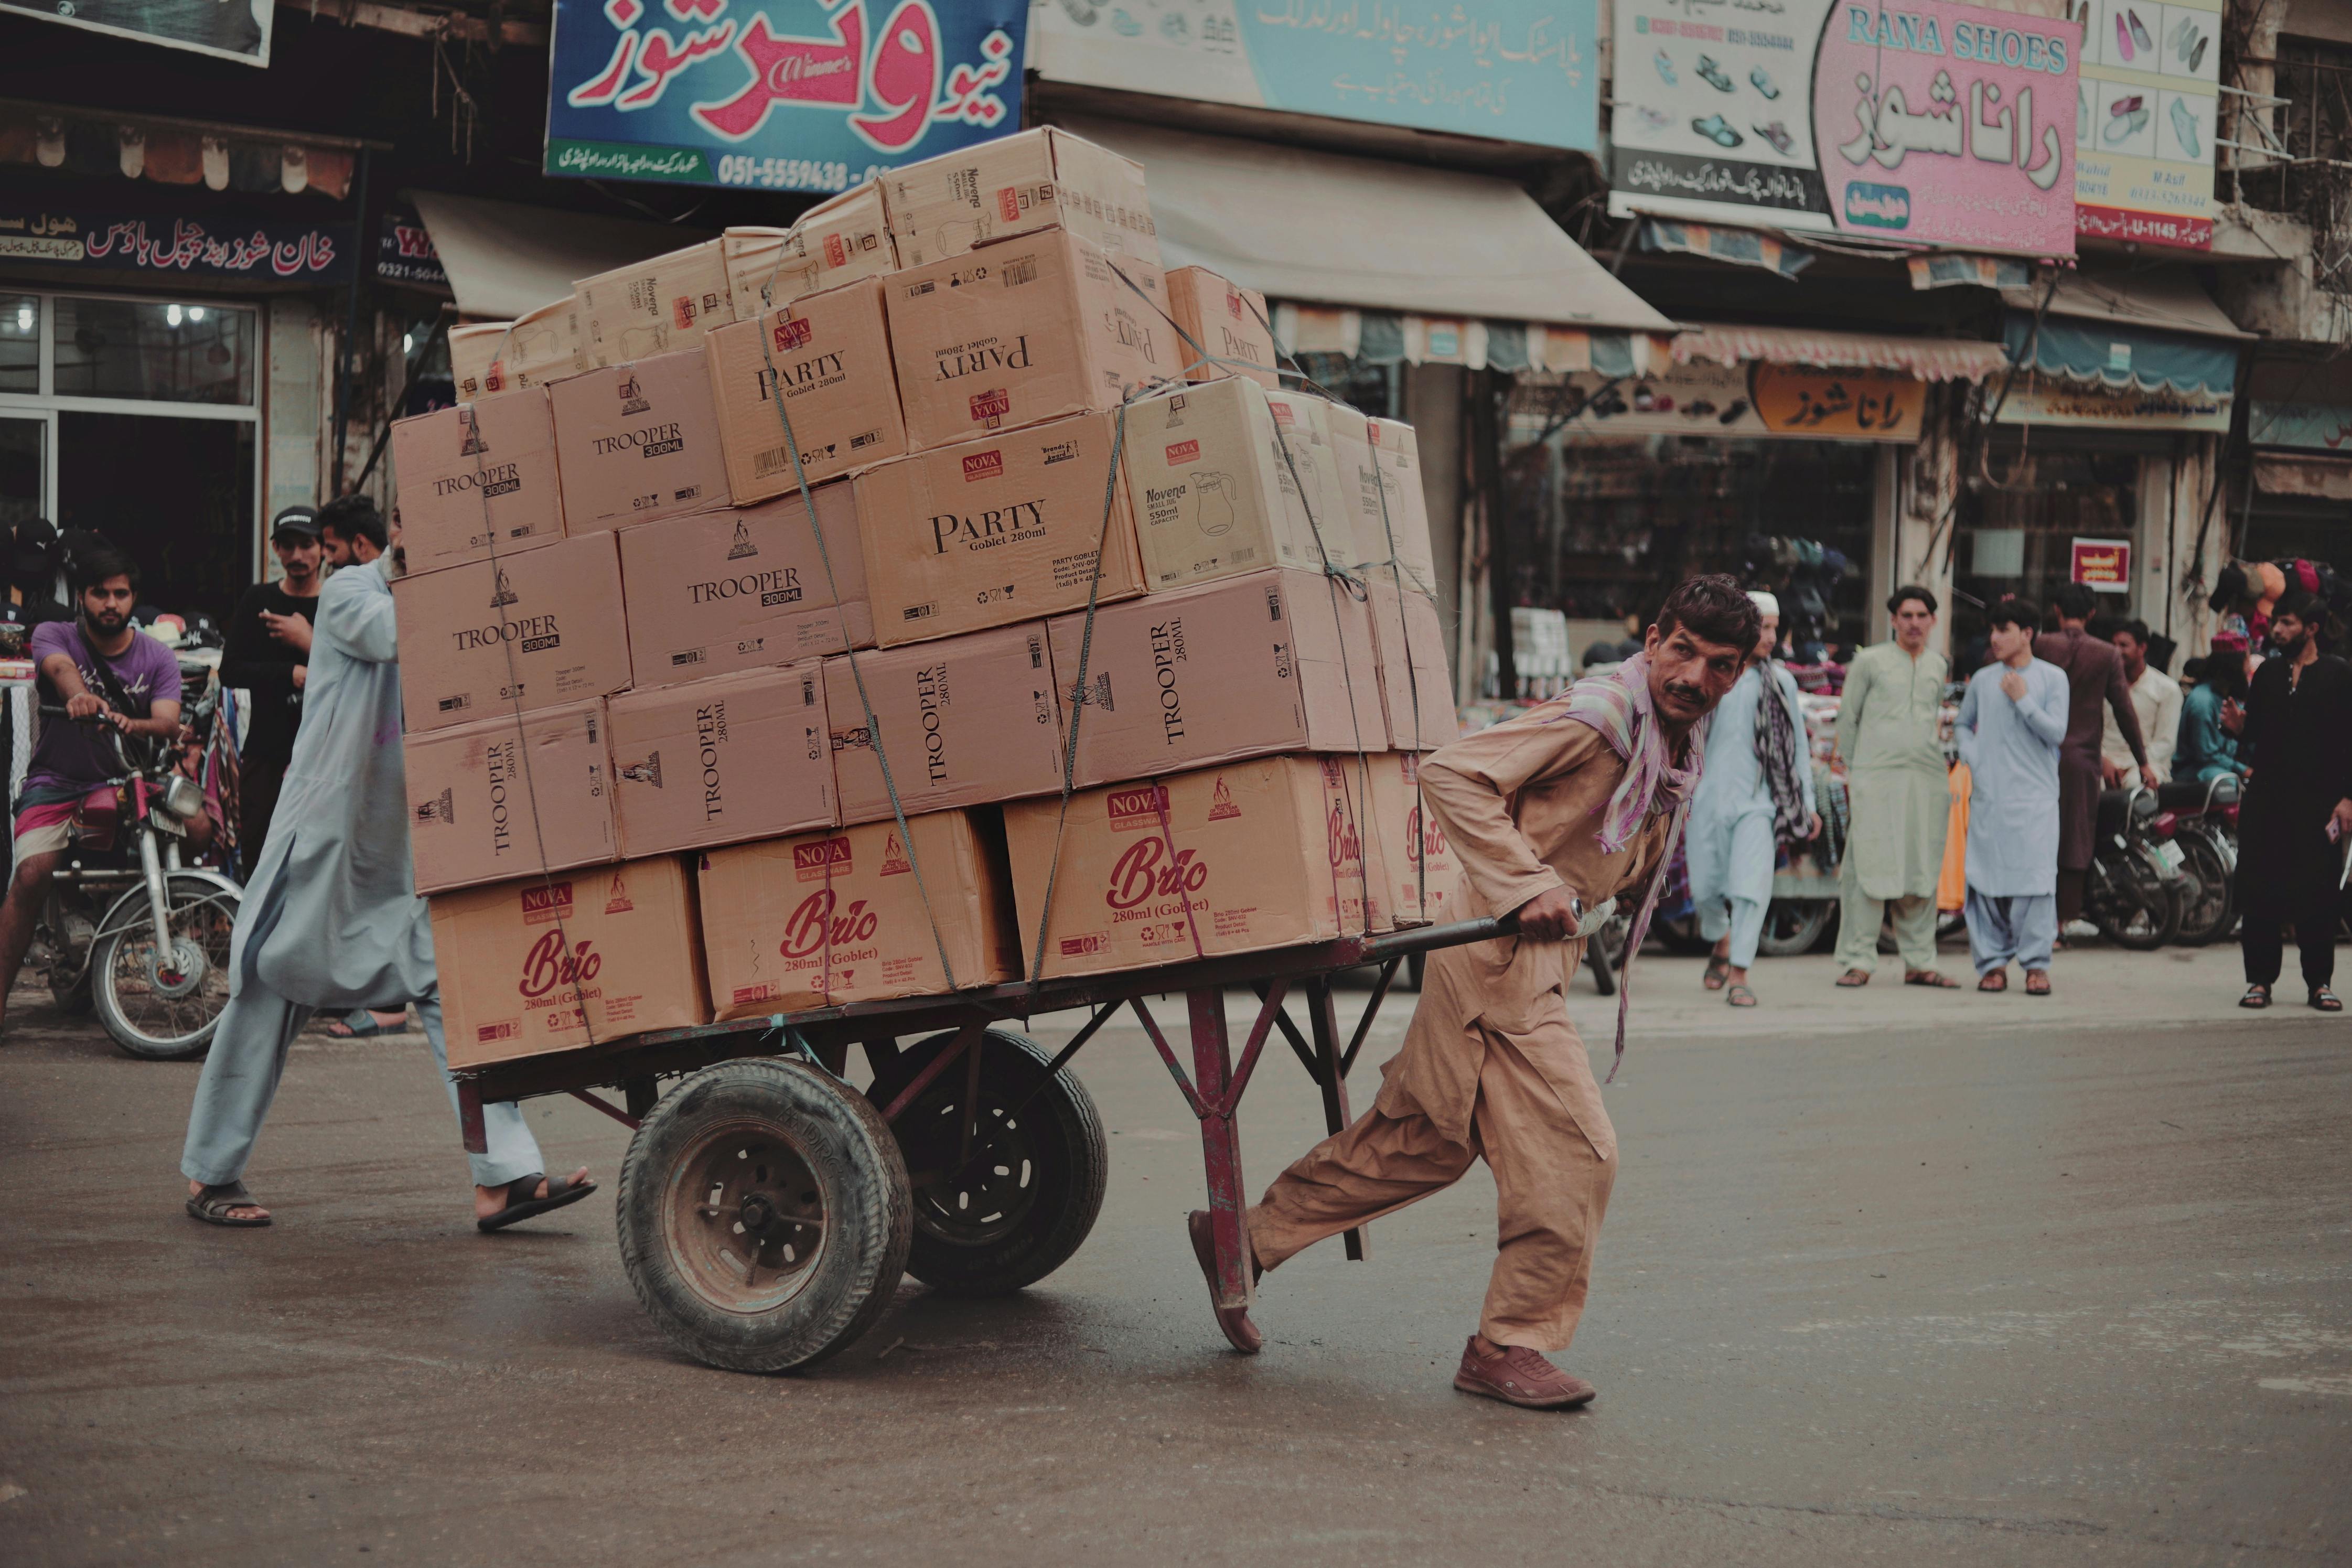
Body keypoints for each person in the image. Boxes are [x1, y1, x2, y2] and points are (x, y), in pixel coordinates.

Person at [1193, 576, 1759, 1410]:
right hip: (1500, 950)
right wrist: (1526, 882)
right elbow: (1455, 773)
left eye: (1719, 664)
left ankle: (1244, 1238)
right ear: (1652, 641)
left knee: (1425, 1139)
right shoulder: (1601, 718)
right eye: (1683, 651)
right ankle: (1508, 1342)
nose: (1694, 675)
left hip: (1527, 947)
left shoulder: (1674, 737)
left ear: (1738, 675)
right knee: (1576, 1149)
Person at [179, 496, 594, 1228]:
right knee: (271, 985)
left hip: (401, 848)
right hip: (326, 839)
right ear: (397, 536)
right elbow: (411, 637)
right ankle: (211, 1173)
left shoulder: (448, 597)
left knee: (443, 990)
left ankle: (502, 1176)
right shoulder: (351, 592)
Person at [0, 545, 185, 1036]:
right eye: (99, 592)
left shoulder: (158, 656)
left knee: (201, 830)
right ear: (81, 596)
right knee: (32, 874)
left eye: (120, 594)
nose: (110, 603)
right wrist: (79, 694)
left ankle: (168, 945)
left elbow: (168, 725)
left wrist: (133, 722)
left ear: (133, 599)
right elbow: (59, 668)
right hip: (55, 782)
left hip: (128, 782)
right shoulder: (53, 633)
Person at [1684, 590, 1819, 1007]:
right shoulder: (1712, 675)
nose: (1770, 637)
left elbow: (1796, 748)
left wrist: (1807, 804)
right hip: (1705, 799)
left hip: (1759, 804)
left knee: (1750, 889)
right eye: (1764, 626)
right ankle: (1720, 940)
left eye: (1775, 628)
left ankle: (1739, 971)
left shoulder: (1782, 683)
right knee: (1705, 889)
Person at [2223, 594, 2352, 1012]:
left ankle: (2319, 983)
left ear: (2311, 629)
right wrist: (2240, 727)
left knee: (2317, 894)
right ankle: (2259, 980)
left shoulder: (2337, 674)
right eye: (2275, 622)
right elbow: (2257, 734)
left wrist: (2347, 797)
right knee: (2260, 889)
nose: (2276, 631)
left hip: (2318, 804)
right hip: (2266, 800)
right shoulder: (2267, 673)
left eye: (2287, 623)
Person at [1833, 585, 1957, 988]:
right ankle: (1858, 960)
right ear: (1893, 620)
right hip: (1875, 777)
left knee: (1920, 866)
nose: (1914, 623)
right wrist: (1856, 773)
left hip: (1925, 777)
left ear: (1933, 621)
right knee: (1867, 866)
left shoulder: (1938, 665)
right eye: (1907, 615)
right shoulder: (1869, 661)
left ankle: (1920, 962)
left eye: (1922, 616)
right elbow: (1847, 719)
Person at [1958, 598, 2069, 994]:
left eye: (2003, 630)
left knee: (2034, 885)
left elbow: (2056, 733)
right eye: (1992, 630)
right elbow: (1962, 725)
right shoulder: (1984, 679)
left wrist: (2022, 698)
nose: (1994, 638)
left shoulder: (2052, 679)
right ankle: (1991, 965)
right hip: (1990, 797)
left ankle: (2036, 965)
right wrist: (1973, 759)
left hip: (2035, 801)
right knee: (1985, 883)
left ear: (2027, 634)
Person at [2035, 583, 2157, 930]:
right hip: (2081, 760)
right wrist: (2143, 761)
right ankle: (2059, 923)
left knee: (2036, 834)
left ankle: (2032, 916)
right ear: (2091, 614)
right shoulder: (2106, 654)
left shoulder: (2041, 645)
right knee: (2075, 836)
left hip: (2038, 756)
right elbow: (2124, 711)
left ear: (2057, 610)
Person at [220, 507, 324, 883]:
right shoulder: (258, 600)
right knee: (258, 850)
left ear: (323, 549)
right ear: (276, 550)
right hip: (265, 748)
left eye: (307, 545)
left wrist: (311, 644)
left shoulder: (337, 603)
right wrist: (290, 674)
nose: (298, 556)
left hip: (324, 752)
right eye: (289, 546)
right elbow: (229, 671)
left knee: (316, 855)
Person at [2100, 619, 2183, 786]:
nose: (2117, 651)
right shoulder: (2101, 685)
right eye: (2113, 645)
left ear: (2142, 648)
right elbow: (2091, 732)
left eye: (2124, 645)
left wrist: (2131, 765)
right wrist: (2103, 761)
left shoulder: (2167, 689)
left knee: (2136, 784)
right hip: (2105, 762)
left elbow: (2165, 743)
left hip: (2149, 763)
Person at [2175, 631, 2252, 784]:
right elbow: (2206, 755)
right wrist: (2244, 770)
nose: (2250, 665)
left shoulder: (2230, 696)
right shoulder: (2203, 701)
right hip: (2196, 772)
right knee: (2230, 783)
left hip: (2222, 766)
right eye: (2248, 658)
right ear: (2236, 665)